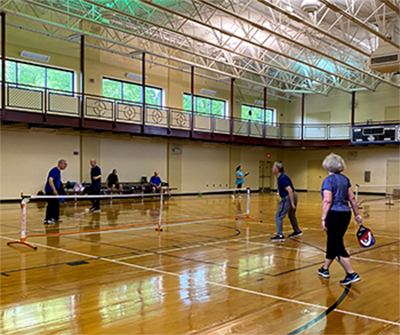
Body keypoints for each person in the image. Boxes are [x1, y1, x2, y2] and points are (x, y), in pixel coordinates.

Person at [318, 153, 362, 285]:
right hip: (345, 214)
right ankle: (325, 269)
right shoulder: (345, 179)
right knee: (334, 240)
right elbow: (352, 199)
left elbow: (327, 200)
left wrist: (323, 219)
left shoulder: (328, 180)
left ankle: (351, 273)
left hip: (333, 214)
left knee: (336, 243)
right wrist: (357, 214)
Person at [271, 162, 302, 242]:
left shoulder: (282, 177)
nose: (272, 169)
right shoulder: (281, 177)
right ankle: (297, 231)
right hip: (292, 196)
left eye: (273, 167)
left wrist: (292, 203)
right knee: (291, 215)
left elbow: (289, 190)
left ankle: (280, 235)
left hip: (289, 197)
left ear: (277, 169)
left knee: (278, 216)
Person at [44, 159, 68, 224]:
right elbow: (50, 180)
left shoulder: (58, 171)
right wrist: (54, 189)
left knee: (56, 204)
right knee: (51, 204)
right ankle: (47, 219)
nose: (66, 165)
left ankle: (55, 217)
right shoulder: (54, 170)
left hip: (55, 190)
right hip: (50, 190)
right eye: (64, 164)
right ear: (60, 164)